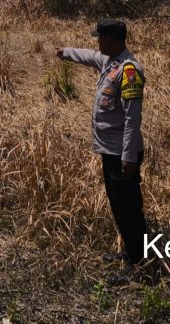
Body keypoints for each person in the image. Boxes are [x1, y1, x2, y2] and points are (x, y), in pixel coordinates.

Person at [56, 18, 148, 280]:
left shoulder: (129, 71)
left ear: (111, 40)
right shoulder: (110, 62)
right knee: (118, 205)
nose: (97, 42)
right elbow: (89, 56)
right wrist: (67, 53)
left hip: (122, 155)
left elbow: (133, 119)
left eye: (100, 38)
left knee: (129, 208)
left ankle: (137, 263)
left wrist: (129, 157)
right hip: (110, 151)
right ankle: (130, 252)